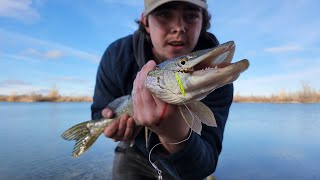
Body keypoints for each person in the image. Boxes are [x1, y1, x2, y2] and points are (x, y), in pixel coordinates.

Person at [91, 0, 233, 179]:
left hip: (186, 157)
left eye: (191, 15)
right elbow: (99, 112)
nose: (179, 27)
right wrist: (107, 125)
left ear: (203, 22)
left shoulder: (216, 73)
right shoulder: (117, 55)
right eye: (164, 14)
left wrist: (175, 136)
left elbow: (205, 162)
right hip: (134, 150)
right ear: (145, 21)